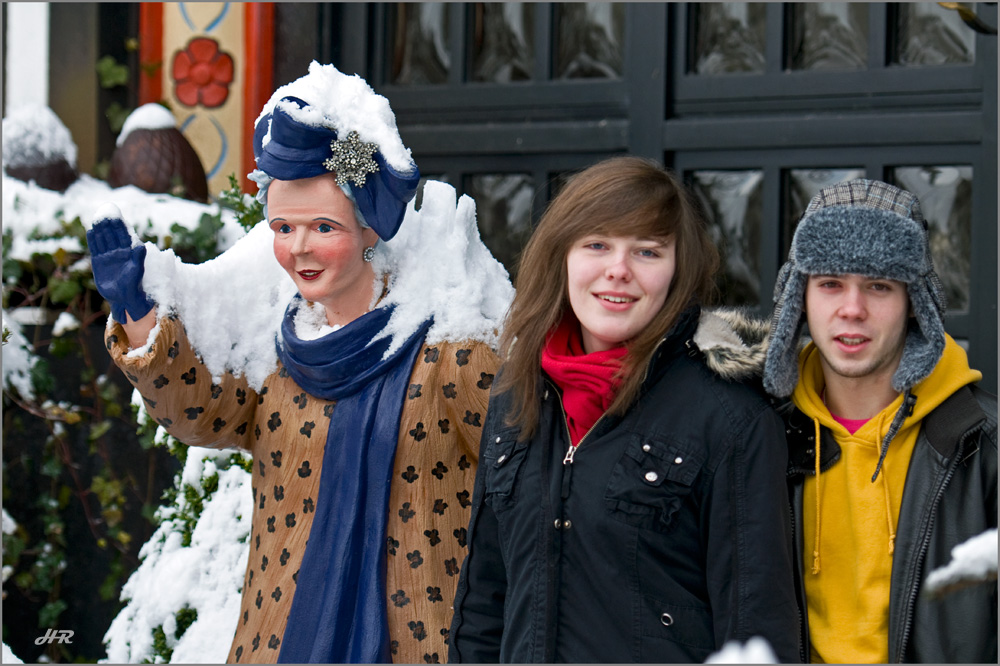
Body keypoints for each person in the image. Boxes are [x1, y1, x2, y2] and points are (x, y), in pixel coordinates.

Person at [87, 63, 501, 664]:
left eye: (322, 226)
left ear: (367, 229)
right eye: (283, 227)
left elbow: (527, 486)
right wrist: (140, 316)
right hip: (281, 640)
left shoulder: (452, 352)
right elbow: (203, 413)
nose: (298, 247)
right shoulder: (279, 349)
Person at [448, 157, 800, 663]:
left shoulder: (730, 420)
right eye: (597, 245)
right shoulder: (517, 391)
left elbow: (758, 631)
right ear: (561, 255)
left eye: (647, 251)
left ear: (678, 270)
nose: (619, 269)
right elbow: (484, 603)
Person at [763, 178, 998, 663]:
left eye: (878, 285)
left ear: (916, 303)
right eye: (830, 283)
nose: (853, 309)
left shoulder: (985, 447)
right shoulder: (756, 436)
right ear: (798, 299)